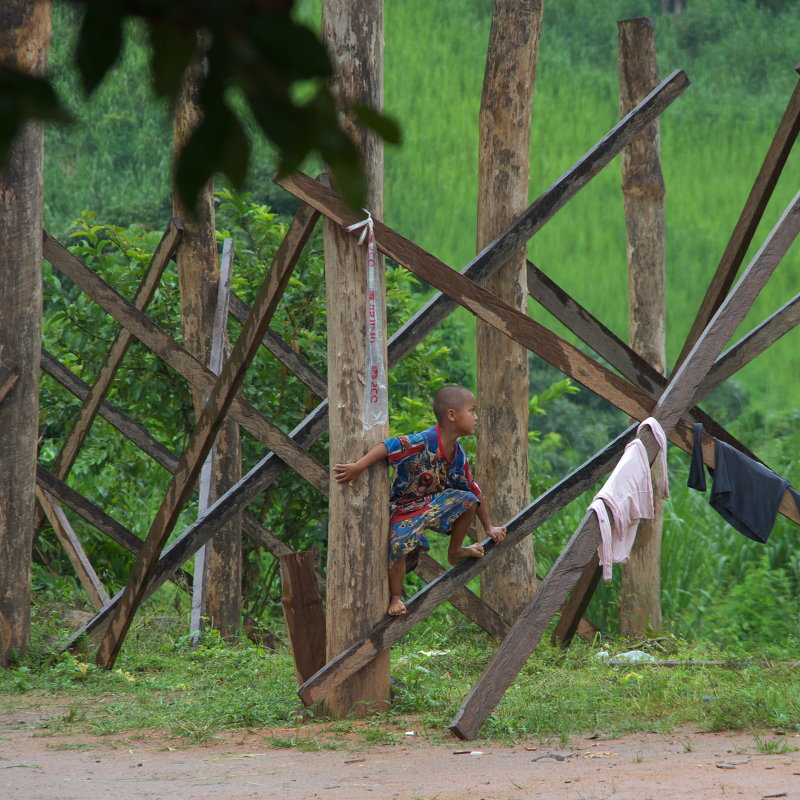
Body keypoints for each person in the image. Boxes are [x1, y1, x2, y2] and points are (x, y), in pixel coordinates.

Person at [333, 385, 507, 616]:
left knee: (468, 498)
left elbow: (474, 489)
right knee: (401, 545)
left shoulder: (459, 454)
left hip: (431, 505)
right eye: (472, 411)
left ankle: (455, 551)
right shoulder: (424, 441)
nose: (476, 418)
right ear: (452, 415)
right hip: (403, 508)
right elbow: (390, 445)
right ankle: (395, 597)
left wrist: (488, 527)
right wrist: (358, 467)